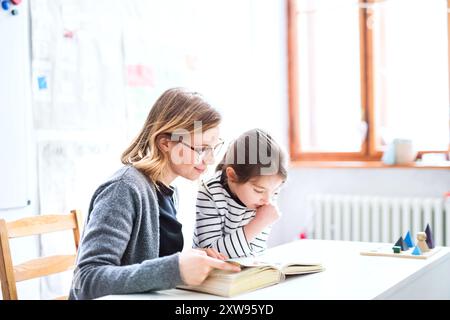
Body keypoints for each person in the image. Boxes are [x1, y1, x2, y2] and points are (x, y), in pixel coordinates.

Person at [69, 88, 240, 300]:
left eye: (214, 148)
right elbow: (86, 280)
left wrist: (191, 262)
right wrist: (175, 269)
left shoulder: (164, 190)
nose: (210, 159)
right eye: (201, 148)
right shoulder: (123, 189)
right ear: (166, 143)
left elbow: (153, 266)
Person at [193, 129, 288, 258]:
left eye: (275, 191)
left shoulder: (265, 197)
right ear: (232, 176)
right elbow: (212, 254)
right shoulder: (209, 194)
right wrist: (259, 223)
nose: (267, 200)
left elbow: (255, 250)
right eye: (259, 190)